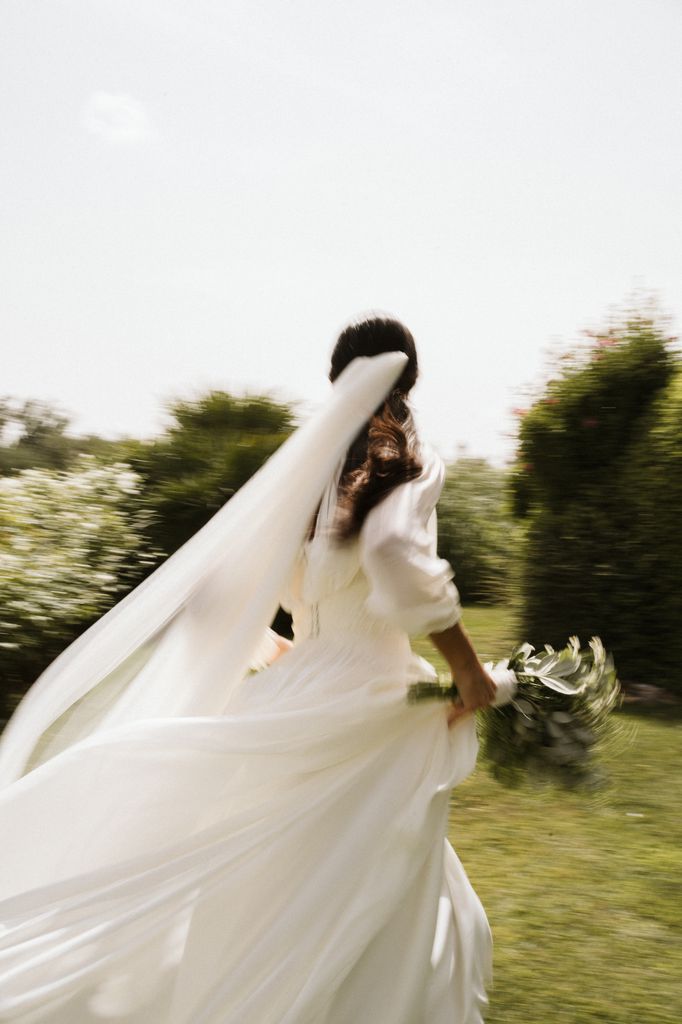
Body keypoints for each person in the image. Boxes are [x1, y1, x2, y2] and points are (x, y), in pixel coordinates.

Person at [0, 315, 501, 1022]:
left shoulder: (306, 476)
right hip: (373, 698)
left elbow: (214, 601)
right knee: (364, 870)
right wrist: (471, 671)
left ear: (337, 380)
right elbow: (394, 558)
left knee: (281, 867)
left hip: (306, 692)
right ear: (409, 380)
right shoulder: (405, 460)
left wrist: (297, 653)